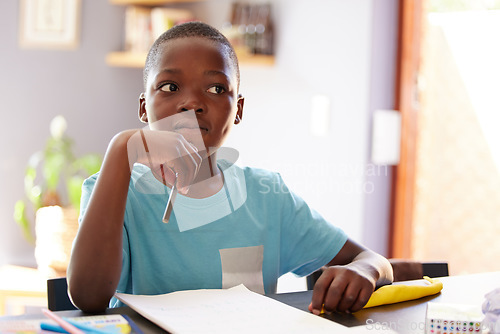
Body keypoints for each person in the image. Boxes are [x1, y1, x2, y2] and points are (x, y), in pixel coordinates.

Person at [67, 21, 393, 314]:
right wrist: (121, 149)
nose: (192, 102)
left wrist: (366, 270)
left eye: (216, 89)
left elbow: (374, 260)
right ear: (143, 106)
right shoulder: (113, 191)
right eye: (169, 87)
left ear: (237, 110)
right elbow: (89, 296)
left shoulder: (268, 198)